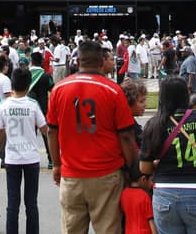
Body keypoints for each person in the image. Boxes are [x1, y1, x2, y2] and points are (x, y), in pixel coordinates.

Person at [48, 40, 138, 234]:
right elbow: (126, 136)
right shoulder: (113, 90)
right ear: (101, 61)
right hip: (106, 175)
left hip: (72, 175)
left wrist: (56, 164)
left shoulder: (58, 89)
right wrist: (132, 167)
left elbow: (52, 132)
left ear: (77, 60)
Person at [139, 77, 196, 234]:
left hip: (165, 193)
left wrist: (157, 163)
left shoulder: (154, 125)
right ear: (186, 95)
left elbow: (145, 168)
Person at [0, 66, 48, 234]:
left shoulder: (4, 105)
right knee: (31, 203)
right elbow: (46, 129)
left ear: (12, 85)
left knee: (13, 203)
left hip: (12, 157)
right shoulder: (32, 104)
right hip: (31, 157)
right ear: (28, 85)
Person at [121, 162, 155, 234]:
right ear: (143, 179)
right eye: (151, 180)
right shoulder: (145, 196)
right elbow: (151, 221)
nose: (152, 184)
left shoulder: (124, 193)